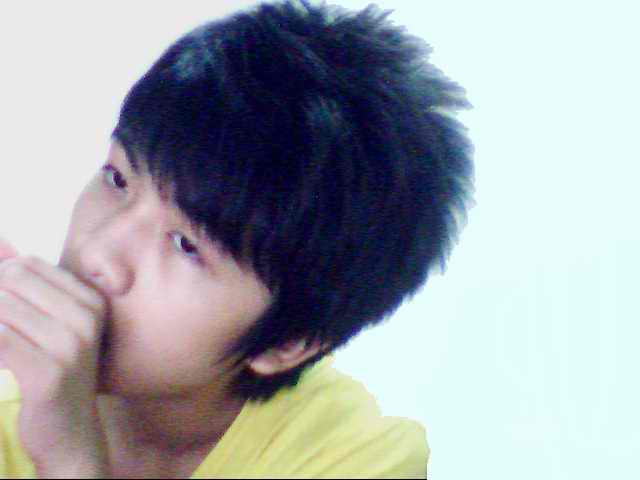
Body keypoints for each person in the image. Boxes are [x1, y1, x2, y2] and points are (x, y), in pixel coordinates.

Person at [0, 0, 475, 477]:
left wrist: (65, 453)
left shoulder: (361, 458)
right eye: (117, 179)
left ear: (287, 343)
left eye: (186, 246)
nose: (98, 252)